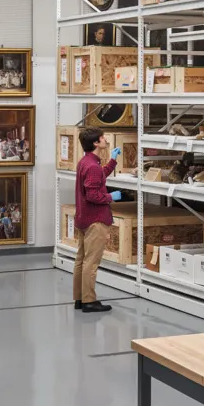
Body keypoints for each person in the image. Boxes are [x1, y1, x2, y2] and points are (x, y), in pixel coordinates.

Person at [73, 128, 122, 313]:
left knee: (81, 260)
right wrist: (110, 197)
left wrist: (112, 161)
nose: (105, 140)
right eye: (102, 138)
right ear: (96, 143)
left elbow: (98, 178)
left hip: (83, 218)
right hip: (95, 220)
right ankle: (89, 301)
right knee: (91, 262)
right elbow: (93, 194)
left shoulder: (86, 162)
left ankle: (79, 298)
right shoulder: (92, 166)